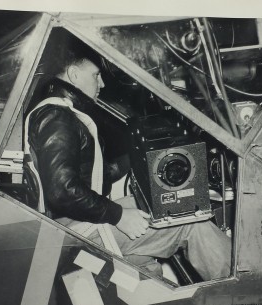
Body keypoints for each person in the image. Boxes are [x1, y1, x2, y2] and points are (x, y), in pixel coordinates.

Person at [26, 42, 232, 281]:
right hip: (72, 231)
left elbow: (87, 174)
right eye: (96, 75)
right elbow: (62, 190)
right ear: (74, 74)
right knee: (186, 220)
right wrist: (119, 216)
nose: (101, 84)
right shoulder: (58, 117)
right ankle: (243, 294)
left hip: (69, 223)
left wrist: (135, 160)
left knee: (158, 207)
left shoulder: (59, 112)